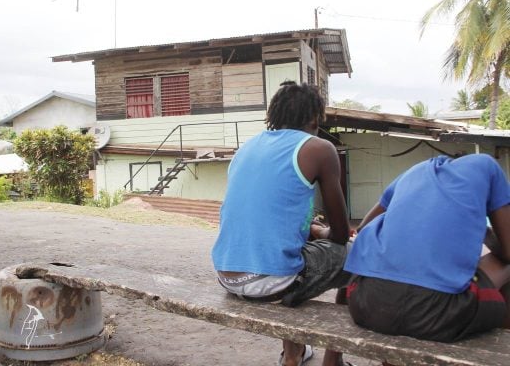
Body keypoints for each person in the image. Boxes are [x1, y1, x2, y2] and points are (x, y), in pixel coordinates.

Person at [212, 81, 354, 366]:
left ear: (276, 114)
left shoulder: (247, 148)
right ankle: (333, 360)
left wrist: (309, 229)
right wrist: (323, 231)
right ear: (315, 118)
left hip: (227, 276)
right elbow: (339, 234)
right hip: (272, 281)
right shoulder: (320, 149)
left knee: (290, 258)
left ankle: (293, 355)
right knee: (359, 256)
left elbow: (264, 217)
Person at [344, 154, 510, 345]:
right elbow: (508, 252)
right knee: (503, 266)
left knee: (360, 262)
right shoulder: (487, 166)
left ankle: (332, 360)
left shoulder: (415, 170)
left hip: (363, 305)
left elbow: (362, 229)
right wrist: (485, 232)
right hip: (435, 314)